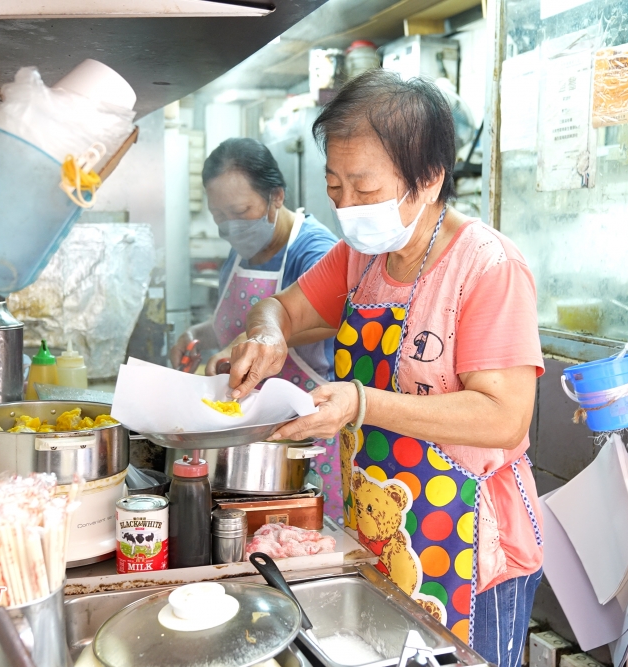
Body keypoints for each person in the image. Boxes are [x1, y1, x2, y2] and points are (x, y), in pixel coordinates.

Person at [223, 71, 545, 667]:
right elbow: (282, 308)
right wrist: (267, 334)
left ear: (427, 180)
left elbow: (504, 416)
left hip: (472, 548)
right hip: (383, 533)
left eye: (364, 188)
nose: (345, 206)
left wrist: (361, 403)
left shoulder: (487, 267)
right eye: (334, 187)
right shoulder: (358, 259)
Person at [167, 137, 344, 524]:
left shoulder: (314, 250)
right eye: (219, 216)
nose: (231, 226)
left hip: (300, 440)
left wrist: (250, 342)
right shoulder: (241, 245)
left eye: (241, 210)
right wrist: (200, 334)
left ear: (275, 197)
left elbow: (326, 318)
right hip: (245, 436)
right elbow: (235, 319)